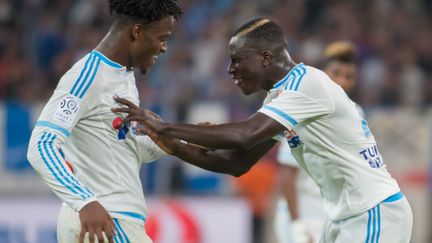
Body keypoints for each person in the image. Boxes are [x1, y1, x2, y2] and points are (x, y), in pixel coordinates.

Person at [113, 18, 413, 243]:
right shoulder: (280, 97)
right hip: (343, 216)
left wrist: (164, 125)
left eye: (237, 60)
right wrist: (172, 145)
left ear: (266, 58)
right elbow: (236, 163)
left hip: (372, 211)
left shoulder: (307, 84)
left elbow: (243, 135)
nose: (230, 69)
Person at [26, 1, 183, 242]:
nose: (164, 48)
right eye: (162, 38)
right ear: (137, 32)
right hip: (106, 219)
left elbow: (119, 150)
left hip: (114, 217)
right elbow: (41, 145)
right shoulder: (87, 76)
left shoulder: (122, 76)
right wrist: (85, 201)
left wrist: (182, 139)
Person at [274, 41, 359, 243]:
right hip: (303, 213)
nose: (341, 81)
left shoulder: (356, 115)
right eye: (336, 73)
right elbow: (287, 173)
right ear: (323, 73)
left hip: (332, 216)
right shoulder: (303, 112)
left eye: (348, 76)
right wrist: (296, 224)